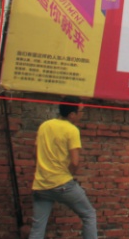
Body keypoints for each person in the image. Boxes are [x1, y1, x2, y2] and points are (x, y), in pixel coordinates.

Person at [29, 96, 97, 239]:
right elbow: (75, 162)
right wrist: (69, 175)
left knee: (38, 226)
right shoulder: (72, 130)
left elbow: (35, 153)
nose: (82, 114)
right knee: (89, 215)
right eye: (81, 111)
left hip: (41, 184)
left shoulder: (44, 126)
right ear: (72, 114)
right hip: (63, 184)